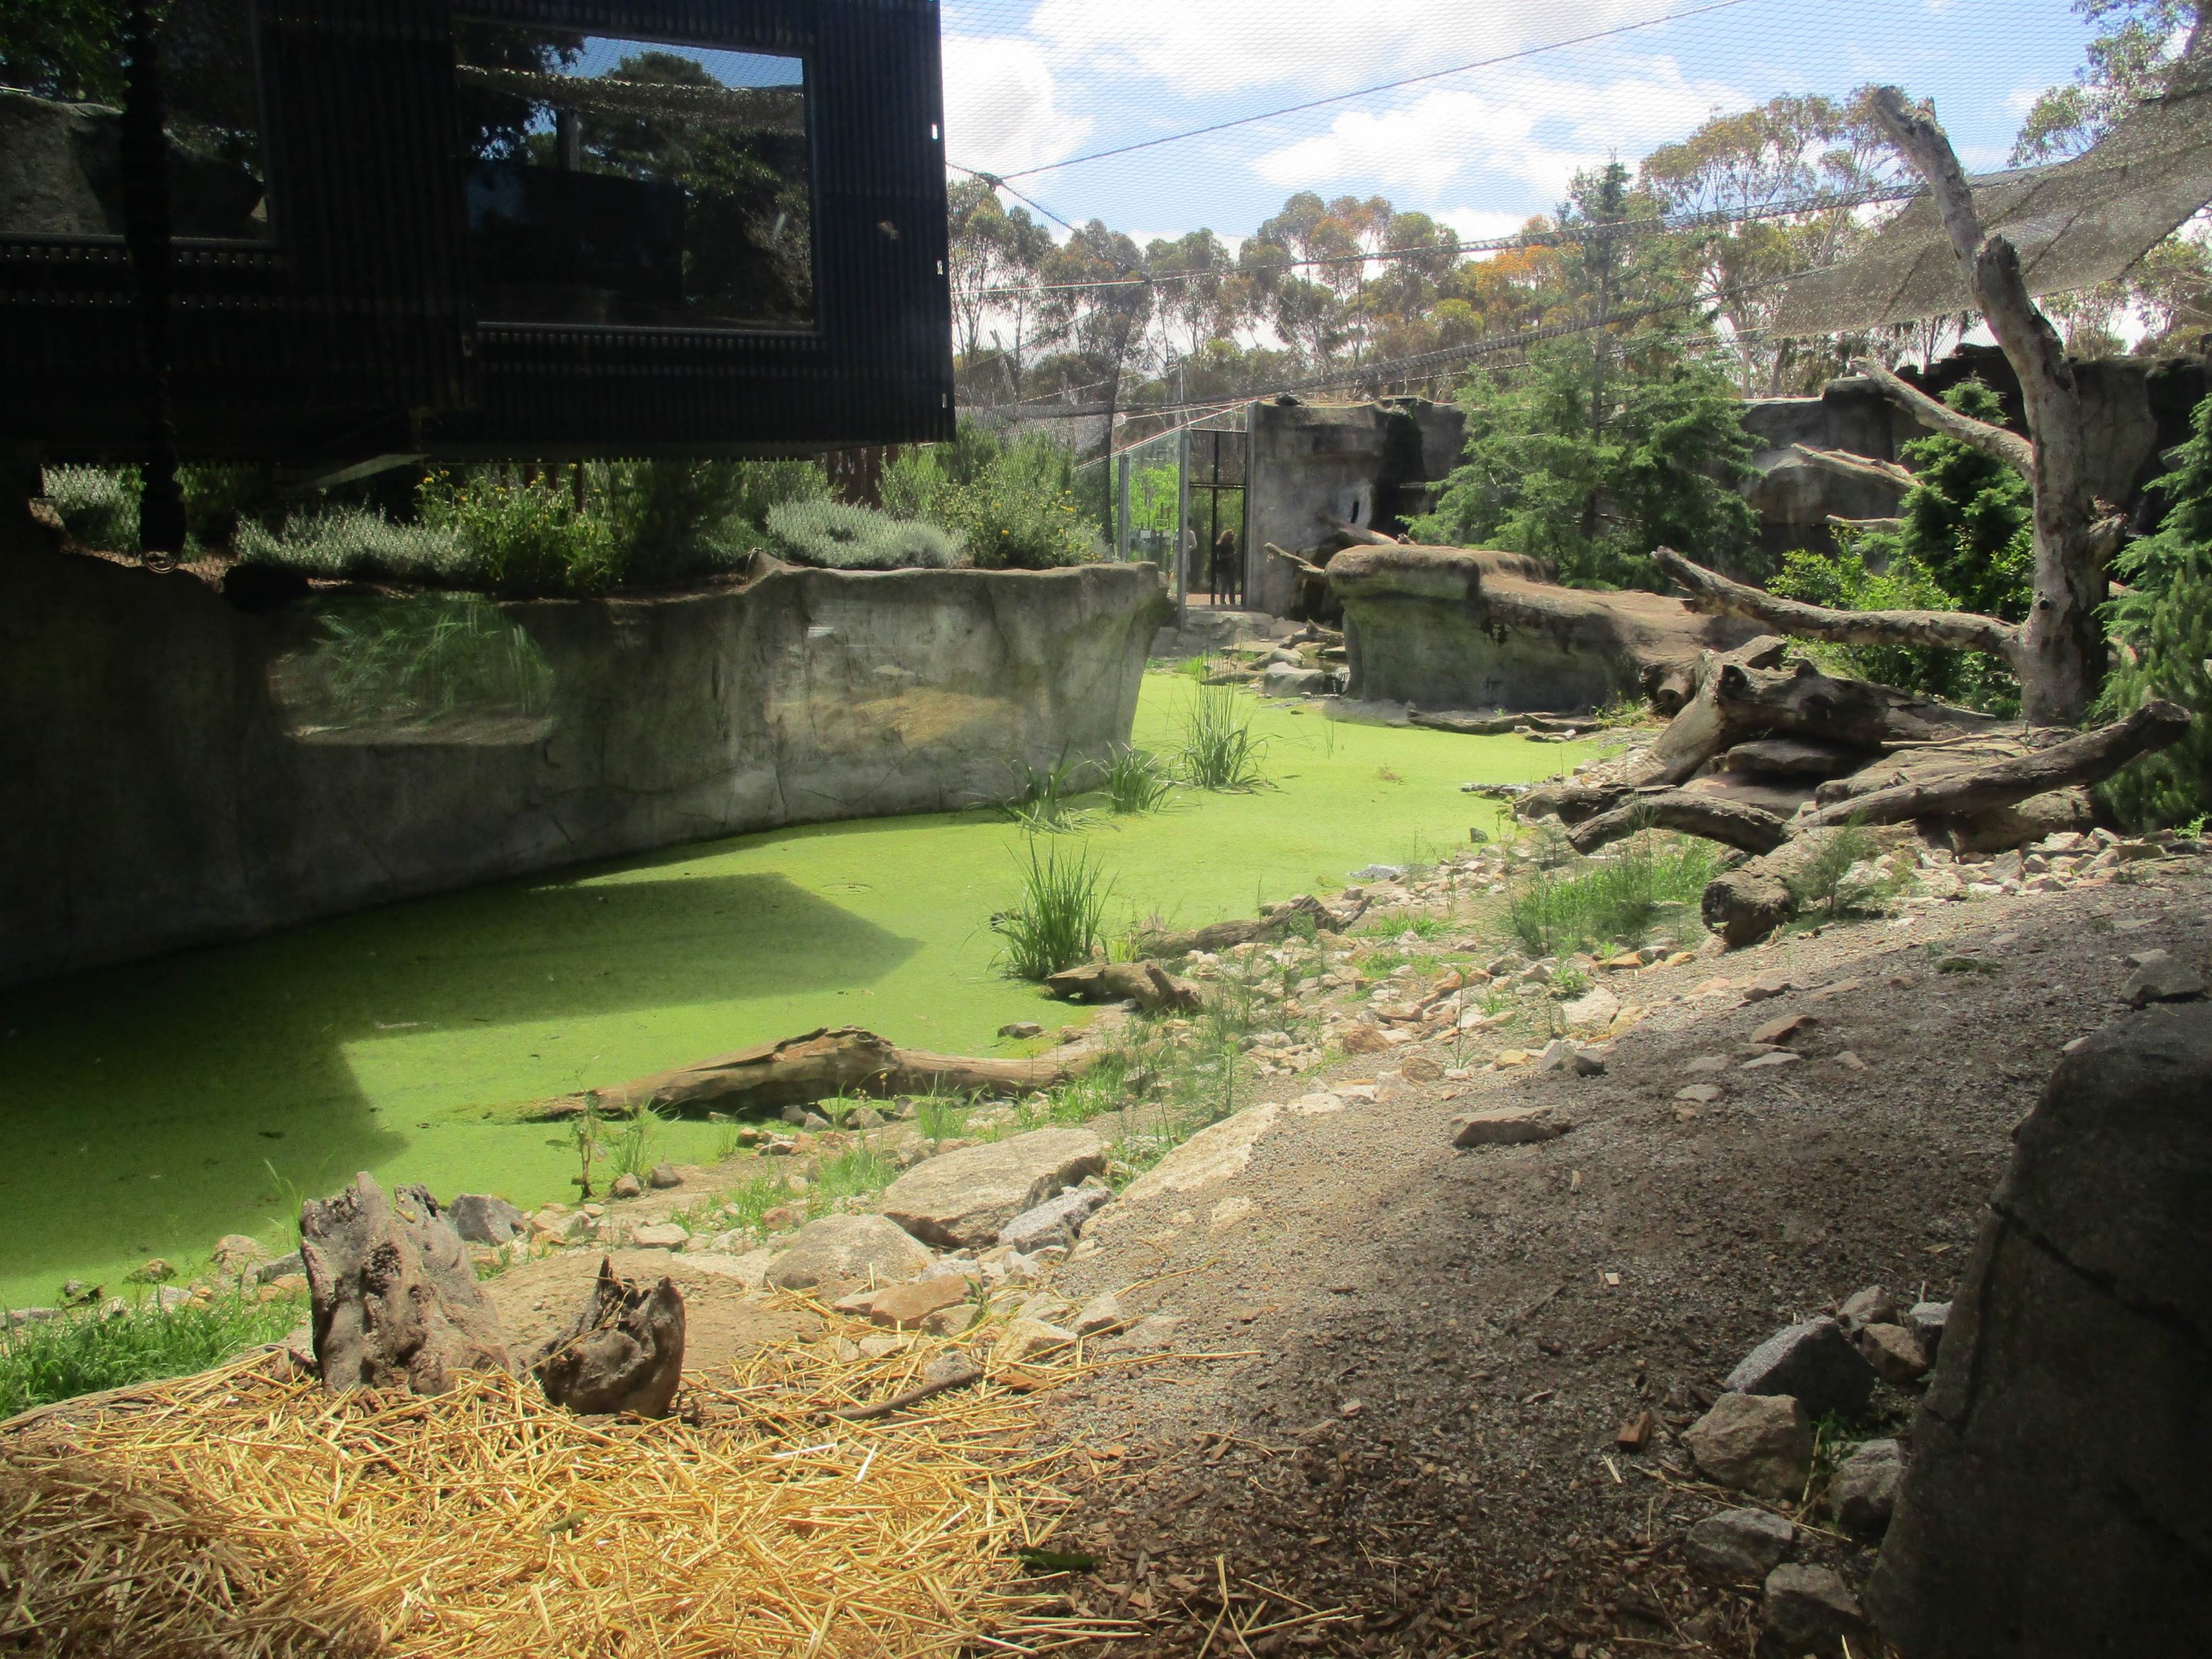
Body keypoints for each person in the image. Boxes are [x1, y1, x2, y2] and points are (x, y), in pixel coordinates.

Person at [1211, 528, 1238, 605]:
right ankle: (1222, 602)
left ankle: (1232, 602)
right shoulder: (1221, 546)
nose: (1231, 538)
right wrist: (1228, 556)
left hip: (1231, 568)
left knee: (1232, 587)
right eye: (1229, 536)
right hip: (1223, 569)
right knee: (1223, 587)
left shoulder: (1231, 546)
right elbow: (1219, 557)